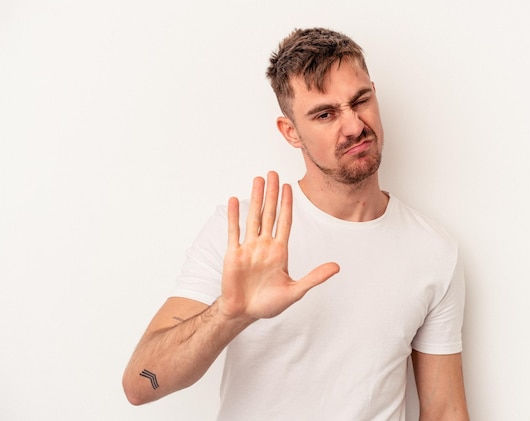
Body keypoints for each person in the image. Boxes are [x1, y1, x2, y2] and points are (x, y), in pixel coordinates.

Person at [123, 27, 469, 420]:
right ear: (291, 132)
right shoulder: (243, 236)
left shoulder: (433, 250)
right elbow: (139, 383)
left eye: (361, 101)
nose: (354, 126)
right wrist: (230, 314)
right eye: (325, 114)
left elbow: (444, 411)